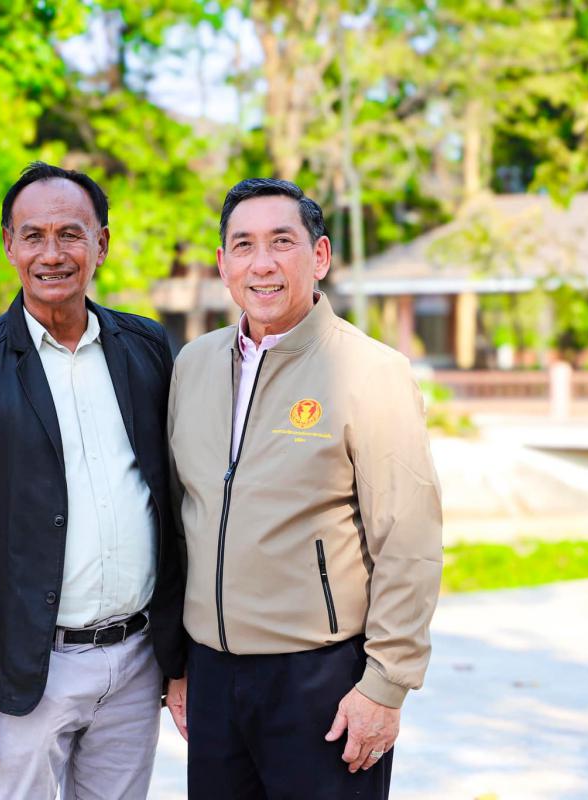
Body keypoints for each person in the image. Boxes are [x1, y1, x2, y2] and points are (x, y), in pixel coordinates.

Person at [164, 178, 443, 798]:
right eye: (244, 245)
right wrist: (178, 664)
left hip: (321, 681)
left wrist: (385, 686)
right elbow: (185, 519)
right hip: (211, 675)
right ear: (223, 265)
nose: (261, 263)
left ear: (319, 257)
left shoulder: (371, 372)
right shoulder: (194, 364)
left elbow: (409, 541)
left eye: (281, 242)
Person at [0, 162, 186, 799]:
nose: (52, 254)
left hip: (136, 660)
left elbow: (175, 506)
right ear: (9, 245)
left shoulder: (148, 348)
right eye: (33, 235)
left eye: (71, 234)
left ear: (102, 244)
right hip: (29, 671)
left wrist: (180, 658)